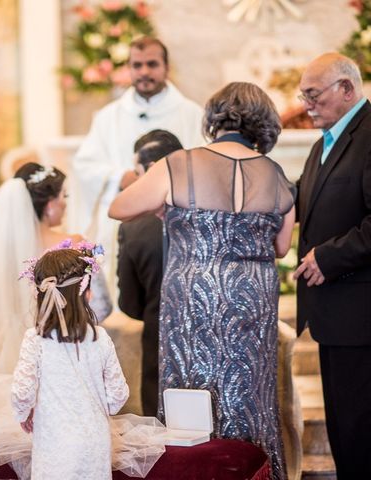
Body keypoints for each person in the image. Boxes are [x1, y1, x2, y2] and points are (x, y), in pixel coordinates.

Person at [109, 82, 296, 480]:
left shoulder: (180, 164)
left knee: (193, 396)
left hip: (195, 299)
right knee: (250, 394)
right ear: (263, 122)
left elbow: (120, 207)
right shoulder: (276, 175)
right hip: (251, 301)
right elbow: (281, 246)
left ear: (213, 117)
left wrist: (165, 207)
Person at [70, 36, 205, 286]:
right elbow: (85, 164)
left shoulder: (191, 114)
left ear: (166, 67)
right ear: (128, 69)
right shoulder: (108, 117)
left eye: (152, 64)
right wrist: (121, 177)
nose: (144, 72)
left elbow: (205, 164)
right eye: (137, 65)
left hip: (174, 218)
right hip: (124, 219)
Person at [293, 52, 371, 478]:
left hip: (361, 312)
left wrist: (329, 255)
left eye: (313, 94)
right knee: (345, 430)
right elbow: (307, 201)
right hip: (336, 315)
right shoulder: (324, 142)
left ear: (347, 88)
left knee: (361, 430)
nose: (306, 104)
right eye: (303, 95)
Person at [0, 162, 111, 375]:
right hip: (65, 348)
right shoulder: (75, 244)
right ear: (50, 204)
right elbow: (102, 305)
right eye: (64, 197)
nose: (66, 205)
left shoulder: (4, 251)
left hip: (10, 351)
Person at [12, 246, 129, 479]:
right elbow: (118, 396)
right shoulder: (100, 337)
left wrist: (24, 413)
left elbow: (21, 393)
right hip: (94, 442)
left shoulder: (35, 340)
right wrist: (95, 410)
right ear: (84, 293)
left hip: (54, 442)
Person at [116, 129, 182, 417]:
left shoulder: (134, 226)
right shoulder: (212, 209)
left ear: (151, 171)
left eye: (138, 172)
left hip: (160, 341)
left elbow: (129, 304)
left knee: (164, 428)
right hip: (215, 337)